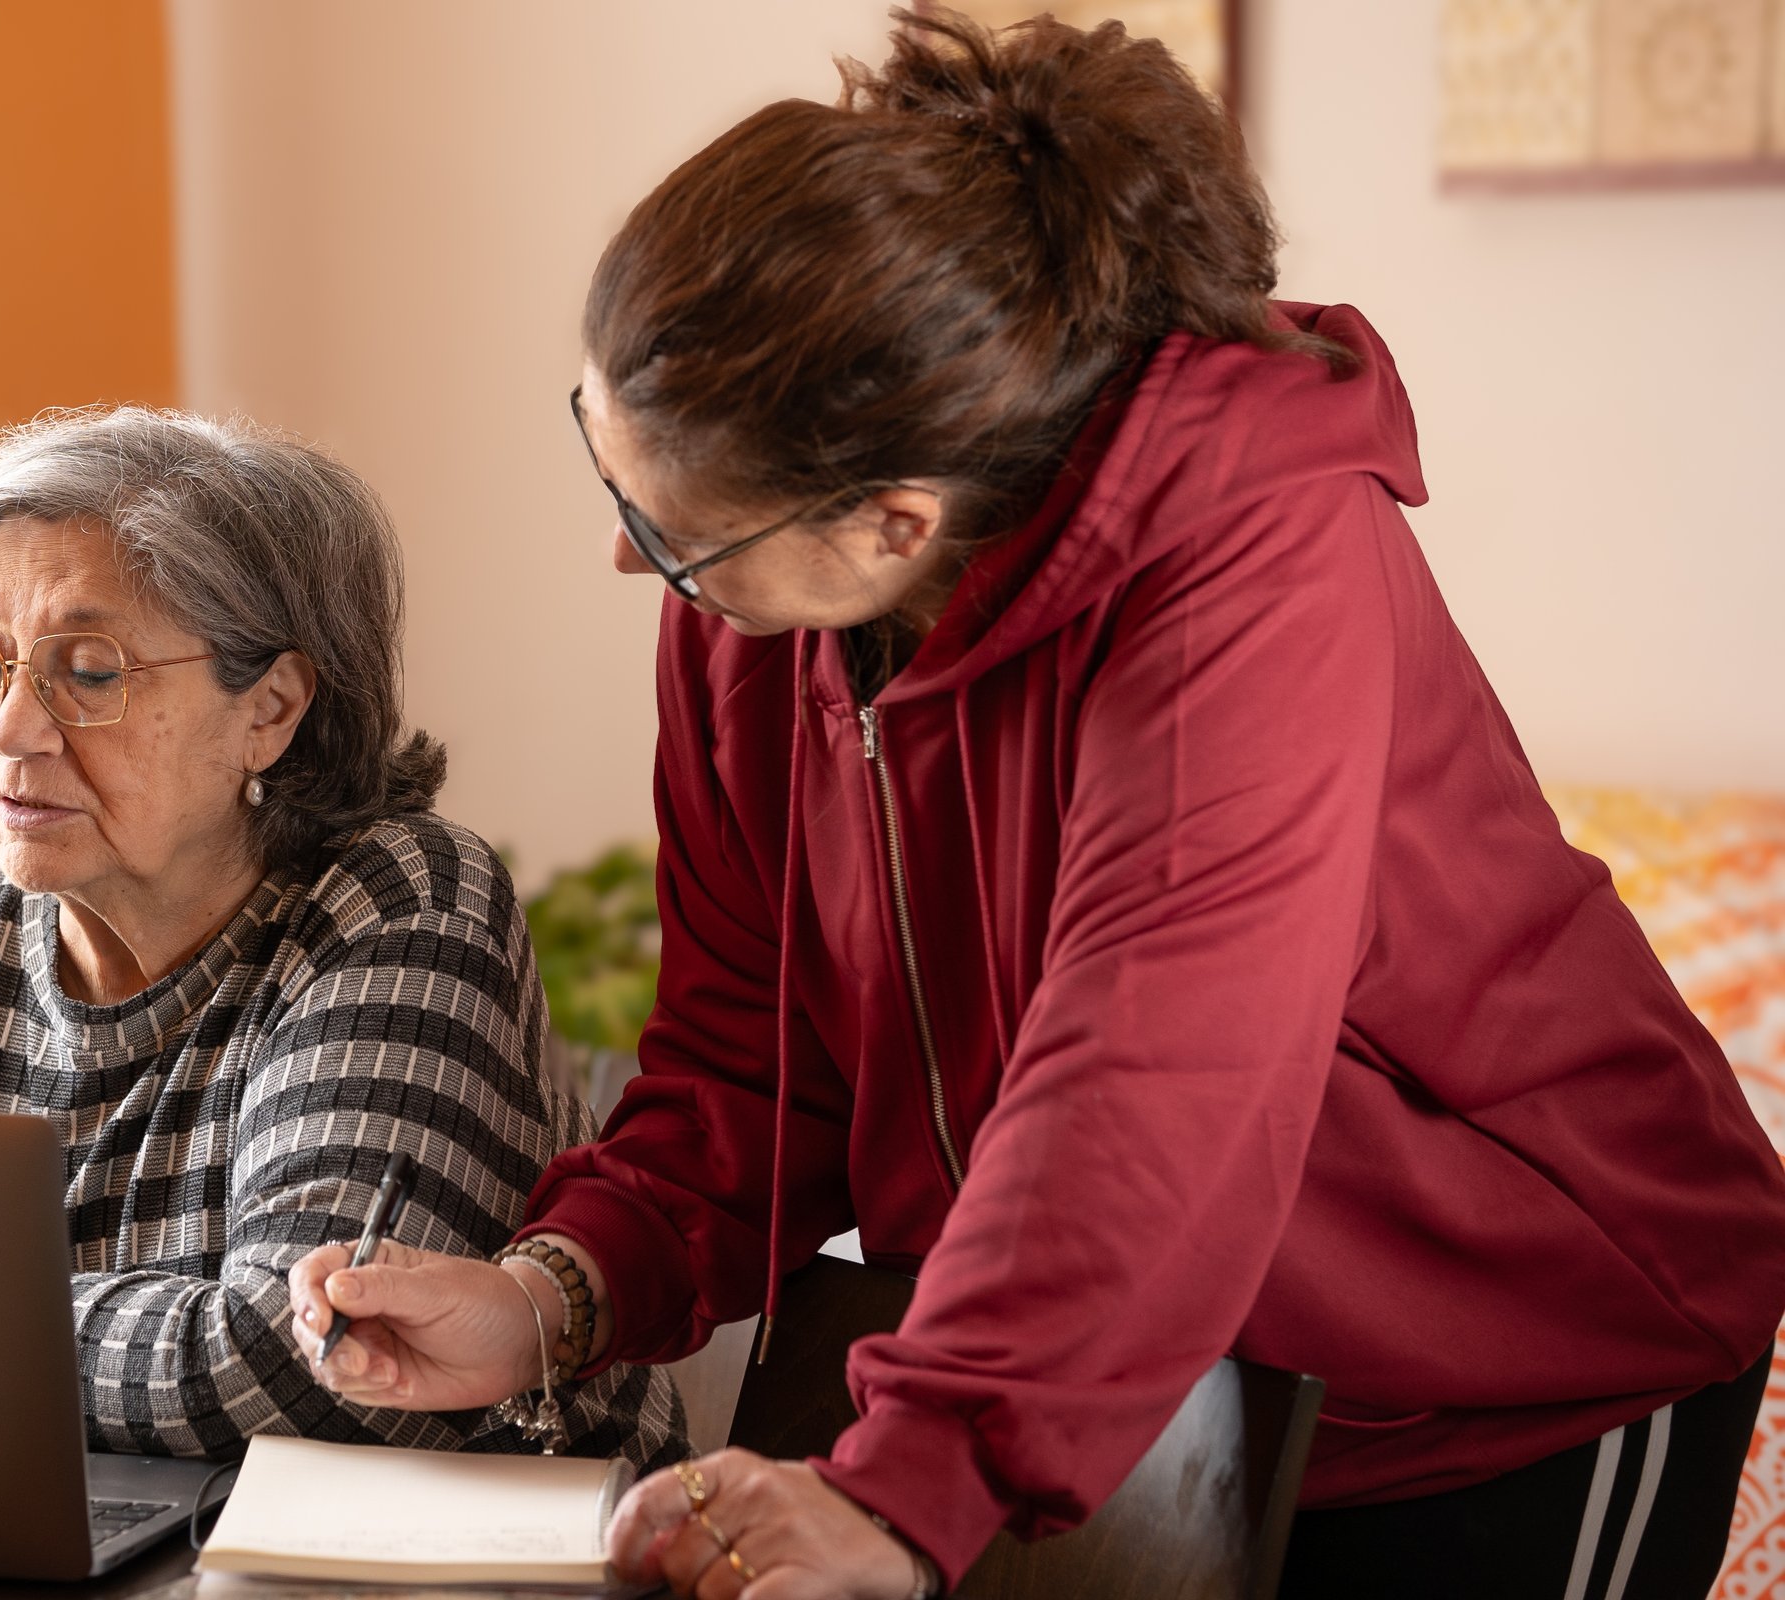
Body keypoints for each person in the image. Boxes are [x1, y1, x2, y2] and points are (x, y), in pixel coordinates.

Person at [287, 13, 1785, 1598]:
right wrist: (556, 1293)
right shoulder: (754, 602)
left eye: (671, 535)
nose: (632, 559)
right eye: (613, 477)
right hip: (1132, 1388)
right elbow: (750, 1052)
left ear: (892, 521)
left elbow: (1157, 1076)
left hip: (1500, 1359)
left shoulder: (1255, 557)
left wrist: (903, 1488)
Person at [0, 407, 688, 1471]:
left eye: (88, 670)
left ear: (269, 710)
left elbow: (292, 1362)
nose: (7, 730)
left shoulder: (402, 907)